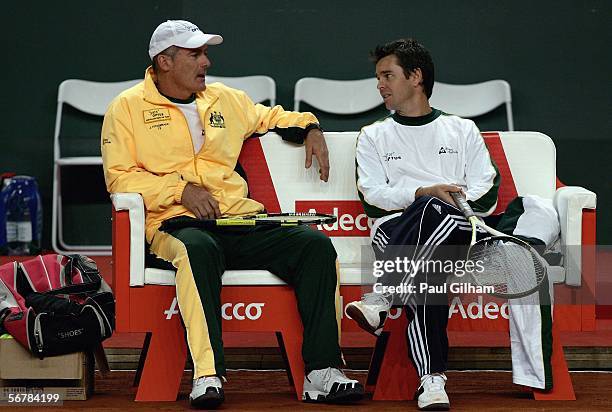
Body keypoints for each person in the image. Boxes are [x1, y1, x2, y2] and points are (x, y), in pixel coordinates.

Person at [101, 20, 363, 409]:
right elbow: (118, 179)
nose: (206, 62)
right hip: (175, 224)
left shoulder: (225, 99)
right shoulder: (126, 108)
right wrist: (180, 190)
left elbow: (272, 117)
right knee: (198, 250)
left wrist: (310, 127)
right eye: (196, 54)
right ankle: (208, 374)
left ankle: (322, 373)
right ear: (165, 61)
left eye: (206, 53)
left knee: (314, 246)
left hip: (239, 220)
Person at [346, 39, 555, 410]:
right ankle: (431, 380)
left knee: (433, 225)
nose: (380, 85)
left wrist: (446, 202)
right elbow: (372, 196)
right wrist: (423, 192)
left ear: (416, 76)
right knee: (427, 230)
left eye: (387, 75)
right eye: (378, 77)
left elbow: (486, 193)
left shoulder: (462, 130)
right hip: (395, 232)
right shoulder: (373, 135)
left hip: (459, 230)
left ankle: (396, 315)